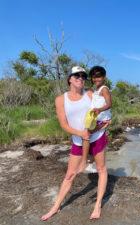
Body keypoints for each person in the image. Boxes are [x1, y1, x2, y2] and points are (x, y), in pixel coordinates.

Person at [41, 66, 110, 221]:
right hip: (79, 141)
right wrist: (81, 133)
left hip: (96, 137)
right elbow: (64, 125)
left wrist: (103, 124)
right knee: (70, 174)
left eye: (83, 76)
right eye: (76, 75)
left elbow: (103, 112)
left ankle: (97, 204)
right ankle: (56, 206)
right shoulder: (61, 99)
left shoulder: (90, 94)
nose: (80, 78)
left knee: (101, 169)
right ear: (69, 79)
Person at [79, 66, 112, 173]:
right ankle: (92, 162)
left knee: (87, 134)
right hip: (95, 119)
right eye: (94, 77)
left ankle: (88, 162)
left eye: (99, 77)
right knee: (87, 138)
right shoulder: (95, 90)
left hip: (102, 119)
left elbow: (109, 104)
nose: (96, 79)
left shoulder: (104, 89)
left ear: (104, 77)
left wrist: (100, 110)